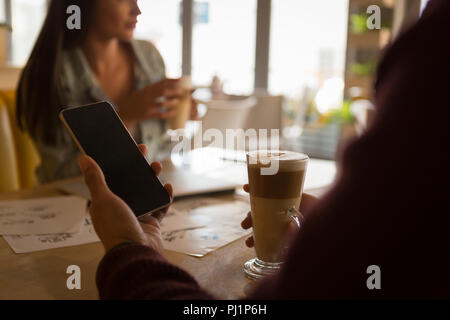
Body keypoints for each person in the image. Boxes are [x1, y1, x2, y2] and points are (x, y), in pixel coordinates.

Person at [80, 0, 449, 299]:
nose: (139, 9)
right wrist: (336, 230)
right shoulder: (432, 47)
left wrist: (127, 248)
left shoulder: (435, 51)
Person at [16, 0, 198, 183]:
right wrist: (123, 117)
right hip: (77, 205)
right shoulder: (47, 74)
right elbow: (59, 174)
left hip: (149, 197)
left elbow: (161, 149)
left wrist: (176, 117)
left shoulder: (149, 56)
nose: (137, 10)